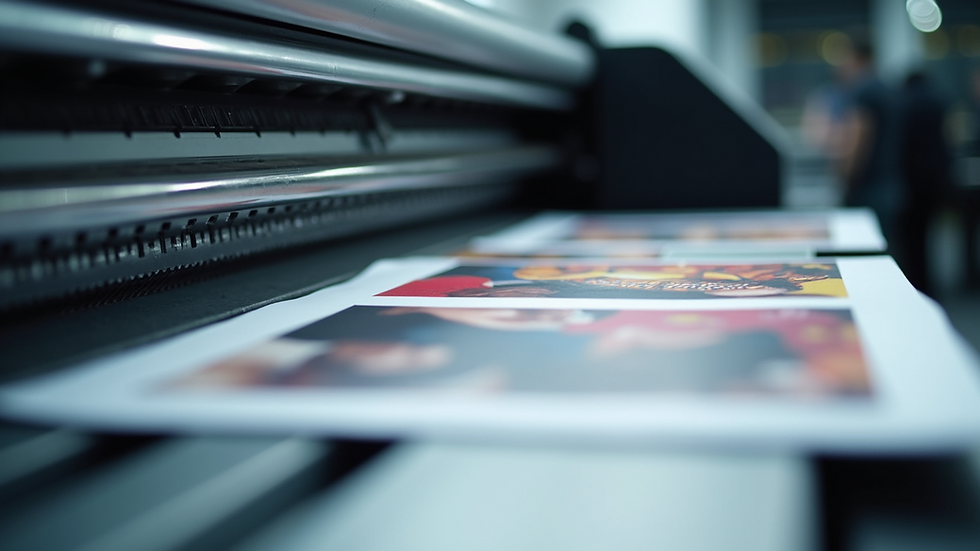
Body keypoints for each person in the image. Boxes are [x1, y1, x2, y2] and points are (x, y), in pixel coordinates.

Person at [836, 40, 904, 248]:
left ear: (856, 57)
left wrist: (844, 178)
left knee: (865, 251)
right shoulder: (887, 88)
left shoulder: (863, 90)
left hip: (868, 188)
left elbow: (857, 138)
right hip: (891, 184)